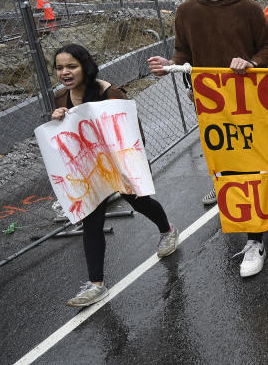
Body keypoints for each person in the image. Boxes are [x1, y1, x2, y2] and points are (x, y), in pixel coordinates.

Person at [148, 0, 268, 277]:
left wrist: (250, 62)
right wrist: (169, 65)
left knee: (249, 169)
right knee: (228, 171)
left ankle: (255, 240)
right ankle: (253, 223)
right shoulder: (186, 12)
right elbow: (183, 54)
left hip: (248, 105)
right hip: (209, 107)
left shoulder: (247, 8)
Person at [52, 44, 178, 307]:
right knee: (92, 218)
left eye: (71, 66)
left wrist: (132, 166)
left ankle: (167, 230)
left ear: (84, 67)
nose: (65, 72)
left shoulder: (109, 91)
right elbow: (63, 138)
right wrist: (58, 119)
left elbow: (131, 130)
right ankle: (95, 284)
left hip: (118, 162)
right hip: (90, 168)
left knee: (137, 201)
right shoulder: (61, 97)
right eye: (60, 67)